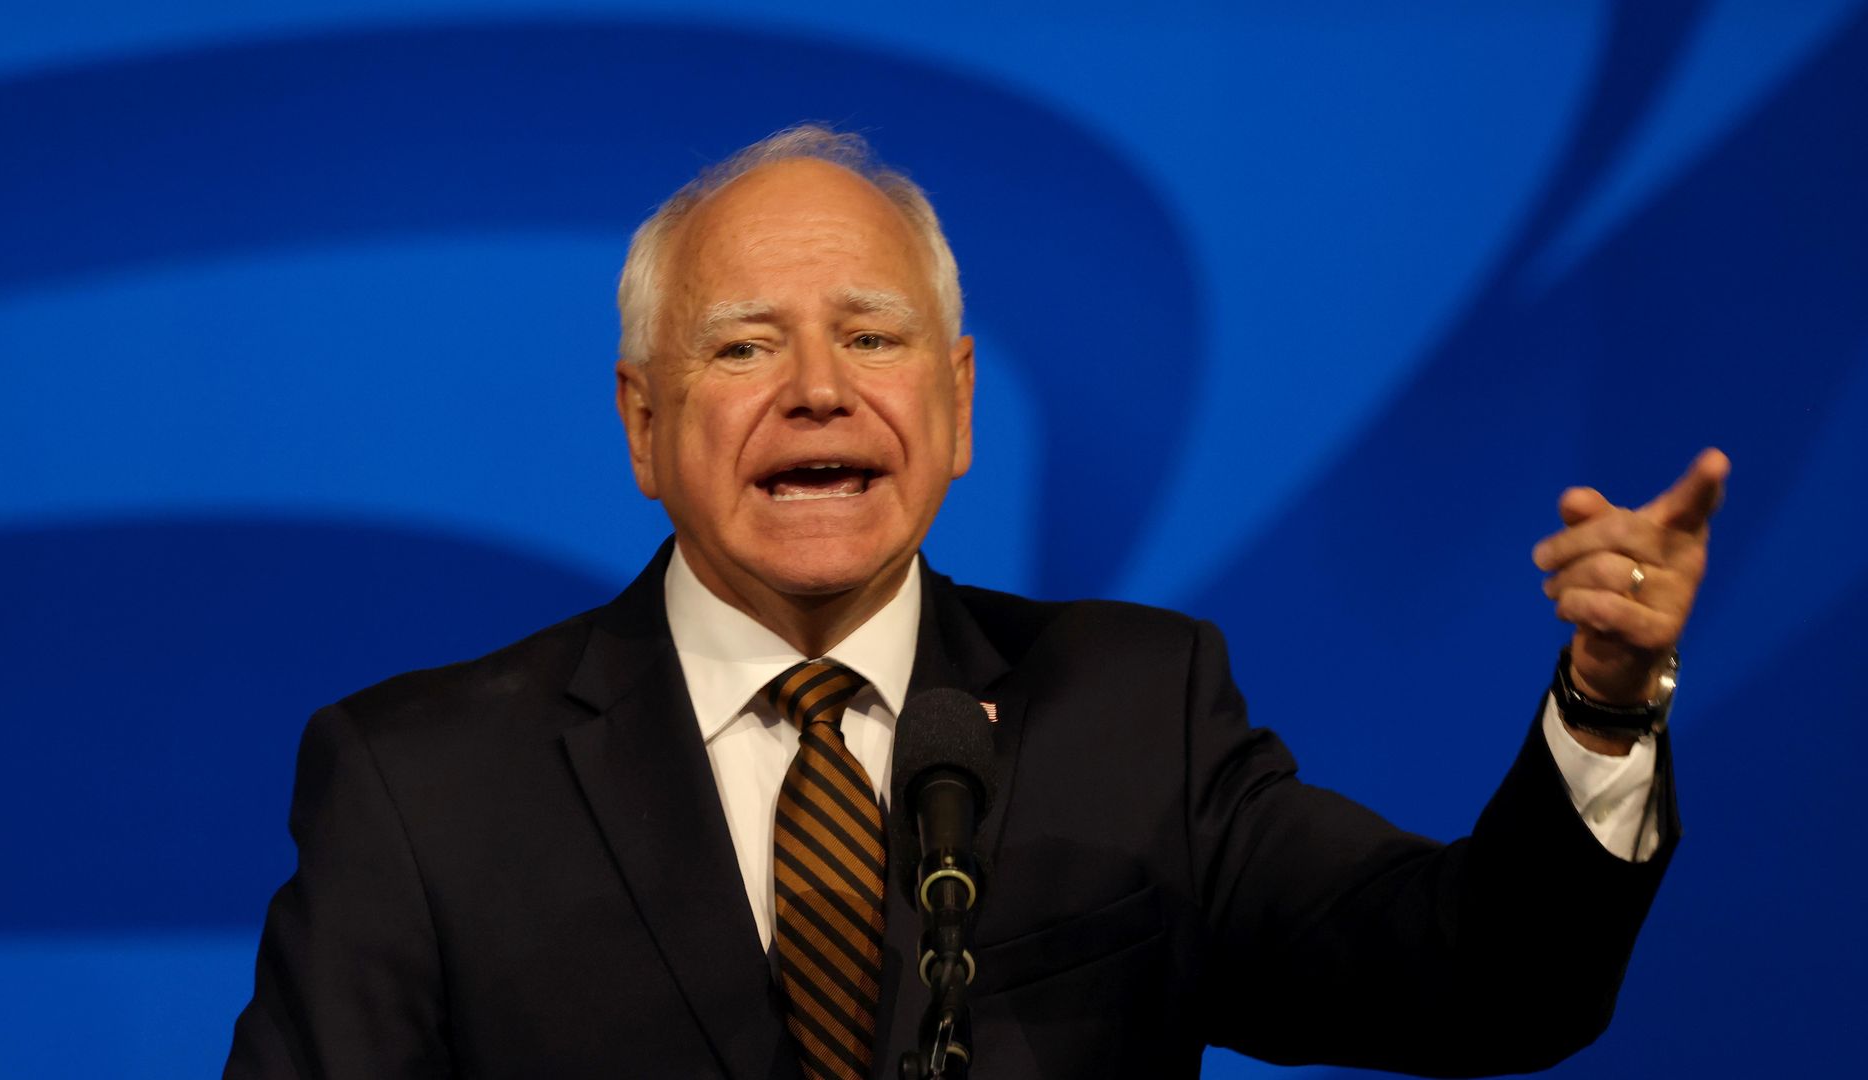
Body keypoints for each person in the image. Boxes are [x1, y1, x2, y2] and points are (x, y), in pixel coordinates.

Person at [225, 126, 1727, 1079]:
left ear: (953, 408)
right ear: (643, 425)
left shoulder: (1134, 712)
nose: (818, 388)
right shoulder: (423, 785)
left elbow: (1486, 986)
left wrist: (1605, 706)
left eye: (873, 337)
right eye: (744, 346)